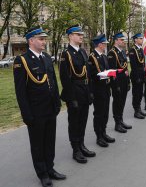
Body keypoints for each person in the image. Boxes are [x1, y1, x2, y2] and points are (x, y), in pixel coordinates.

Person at [13, 27, 66, 187]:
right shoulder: (22, 61)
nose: (44, 42)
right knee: (38, 144)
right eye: (41, 39)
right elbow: (20, 91)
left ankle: (50, 168)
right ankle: (42, 174)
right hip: (36, 111)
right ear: (31, 41)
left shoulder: (47, 58)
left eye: (45, 39)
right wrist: (26, 114)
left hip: (50, 108)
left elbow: (53, 83)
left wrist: (57, 102)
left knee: (50, 141)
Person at [59, 25, 95, 164]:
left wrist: (90, 91)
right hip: (74, 91)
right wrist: (71, 98)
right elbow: (65, 79)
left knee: (83, 120)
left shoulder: (83, 52)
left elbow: (89, 74)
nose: (81, 36)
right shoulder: (65, 54)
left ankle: (82, 144)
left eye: (82, 34)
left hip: (84, 90)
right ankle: (76, 149)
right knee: (74, 122)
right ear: (70, 36)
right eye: (78, 34)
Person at [89, 34, 115, 147]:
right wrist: (109, 74)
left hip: (105, 88)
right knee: (99, 113)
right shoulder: (92, 57)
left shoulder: (103, 56)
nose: (105, 46)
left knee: (105, 112)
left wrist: (111, 73)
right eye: (104, 44)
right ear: (99, 44)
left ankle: (103, 132)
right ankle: (99, 136)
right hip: (98, 90)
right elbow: (94, 75)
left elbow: (107, 70)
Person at [107, 32, 132, 133]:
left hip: (124, 81)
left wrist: (128, 81)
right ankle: (117, 123)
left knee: (122, 102)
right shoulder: (112, 53)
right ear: (116, 41)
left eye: (124, 40)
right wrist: (115, 85)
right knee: (117, 102)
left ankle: (121, 120)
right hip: (117, 82)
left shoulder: (121, 52)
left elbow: (125, 68)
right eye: (121, 40)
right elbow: (112, 71)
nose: (123, 42)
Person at [128, 33, 146, 119]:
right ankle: (136, 111)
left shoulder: (140, 49)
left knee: (140, 93)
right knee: (136, 93)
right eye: (140, 38)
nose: (142, 40)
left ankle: (139, 109)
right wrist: (137, 77)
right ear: (135, 40)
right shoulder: (133, 50)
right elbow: (134, 65)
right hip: (136, 75)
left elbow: (142, 63)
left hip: (141, 74)